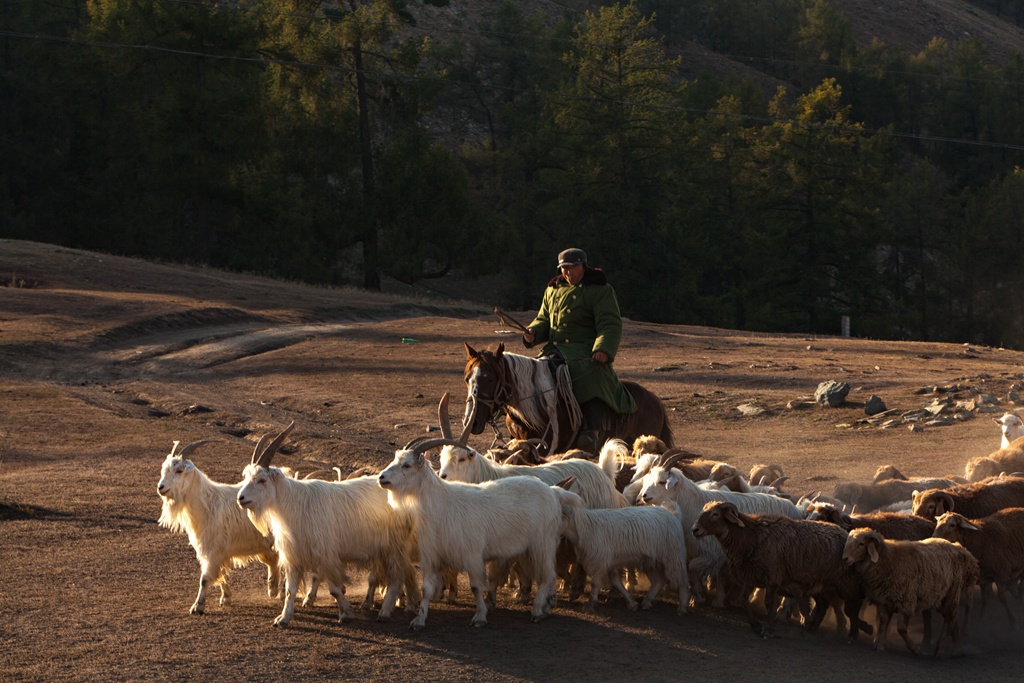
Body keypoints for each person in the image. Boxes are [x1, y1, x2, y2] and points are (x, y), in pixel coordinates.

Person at [522, 247, 637, 453]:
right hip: (554, 350)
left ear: (583, 266)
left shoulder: (599, 290)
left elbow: (609, 324)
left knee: (587, 376)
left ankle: (592, 431)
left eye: (573, 267)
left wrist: (603, 349)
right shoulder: (552, 290)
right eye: (564, 268)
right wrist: (533, 333)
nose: (568, 273)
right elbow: (543, 320)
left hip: (585, 351)